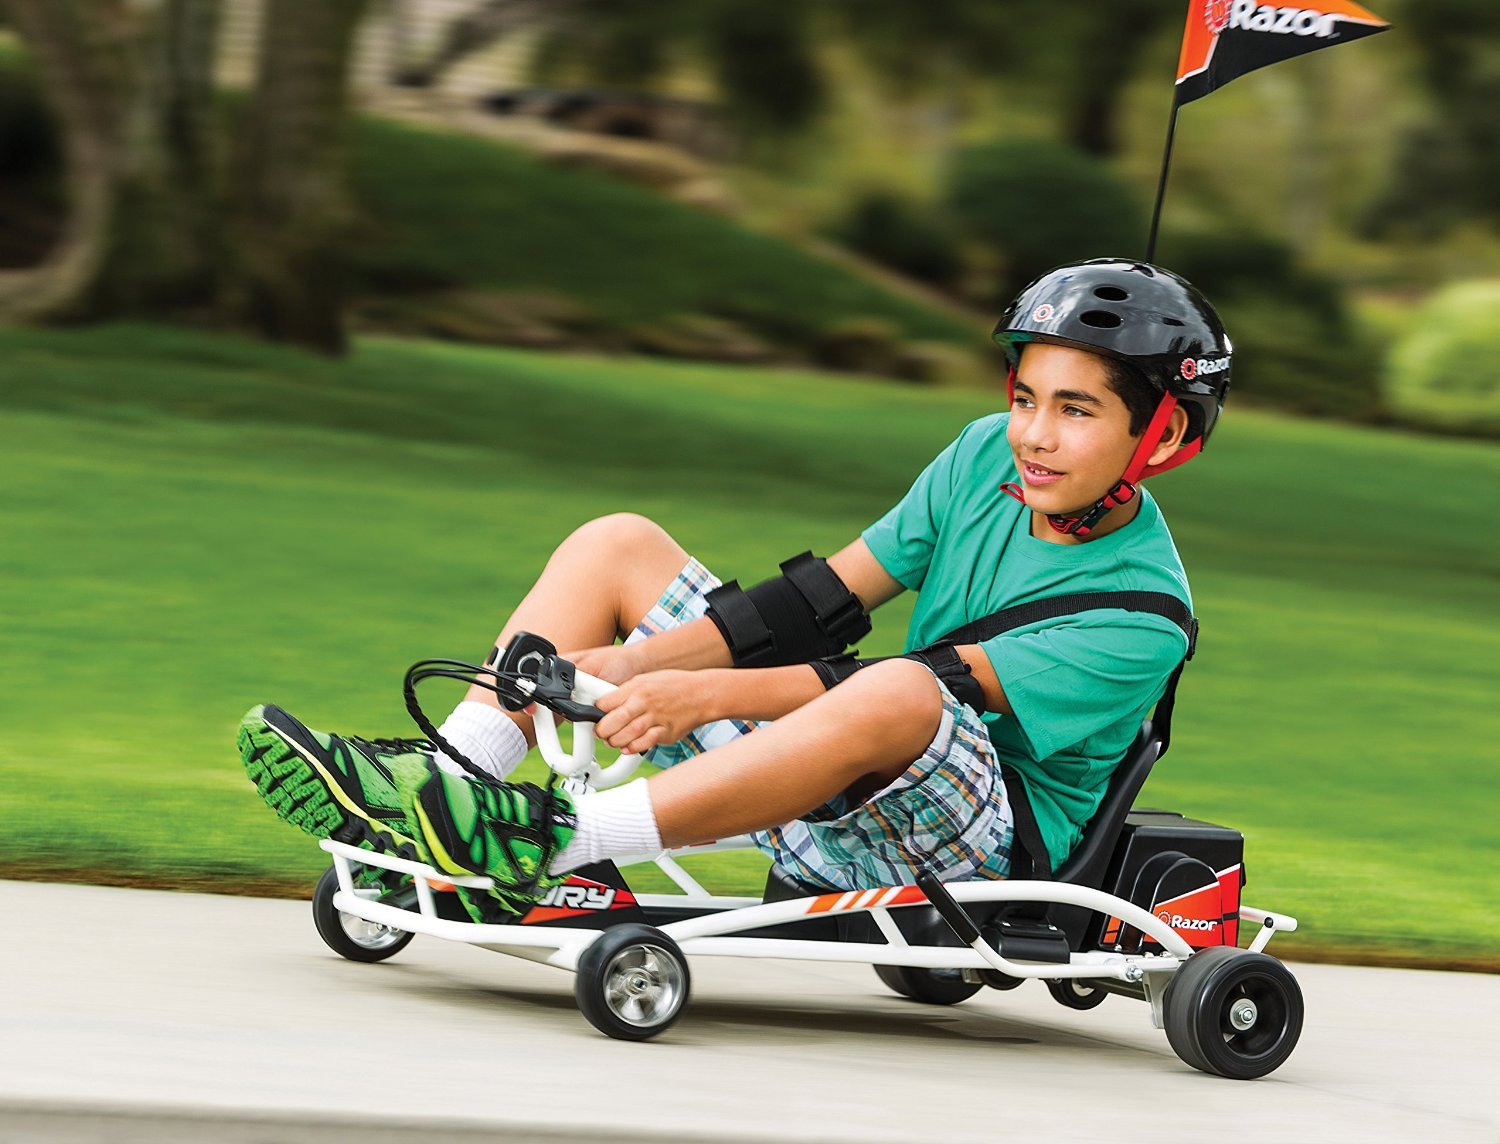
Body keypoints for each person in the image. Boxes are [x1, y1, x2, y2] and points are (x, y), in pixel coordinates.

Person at [238, 258, 1232, 920]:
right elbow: (817, 605)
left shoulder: (1143, 615)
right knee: (617, 542)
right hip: (850, 755)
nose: (1032, 433)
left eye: (1076, 410)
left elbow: (911, 687)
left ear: (1165, 435)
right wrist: (630, 665)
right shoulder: (983, 459)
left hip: (976, 852)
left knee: (900, 686)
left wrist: (698, 693)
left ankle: (551, 842)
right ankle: (451, 784)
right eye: (1024, 397)